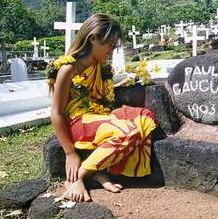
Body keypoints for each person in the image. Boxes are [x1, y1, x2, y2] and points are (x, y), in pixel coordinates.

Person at [47, 13, 157, 202]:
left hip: (99, 115)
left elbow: (99, 95)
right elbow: (56, 113)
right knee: (127, 131)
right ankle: (77, 177)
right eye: (110, 45)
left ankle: (95, 170)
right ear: (92, 39)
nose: (111, 51)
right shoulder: (68, 69)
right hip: (79, 121)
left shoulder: (100, 66)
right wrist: (70, 154)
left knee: (145, 117)